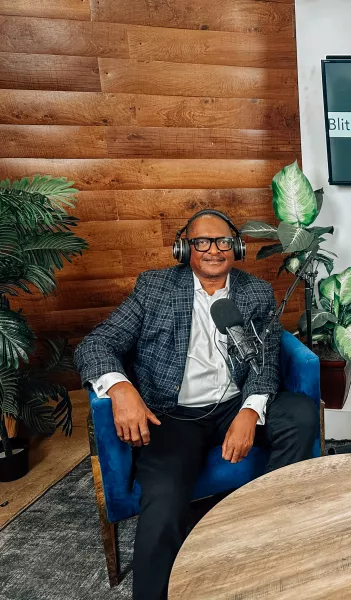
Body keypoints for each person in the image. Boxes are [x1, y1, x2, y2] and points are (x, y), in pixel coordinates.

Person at [75, 209, 317, 600]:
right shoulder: (154, 288)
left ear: (236, 248)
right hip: (172, 416)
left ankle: (272, 526)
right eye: (201, 242)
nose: (213, 250)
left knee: (301, 414)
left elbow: (265, 361)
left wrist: (249, 412)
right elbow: (96, 345)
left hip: (232, 404)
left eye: (222, 241)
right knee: (165, 496)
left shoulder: (254, 293)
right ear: (184, 248)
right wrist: (120, 389)